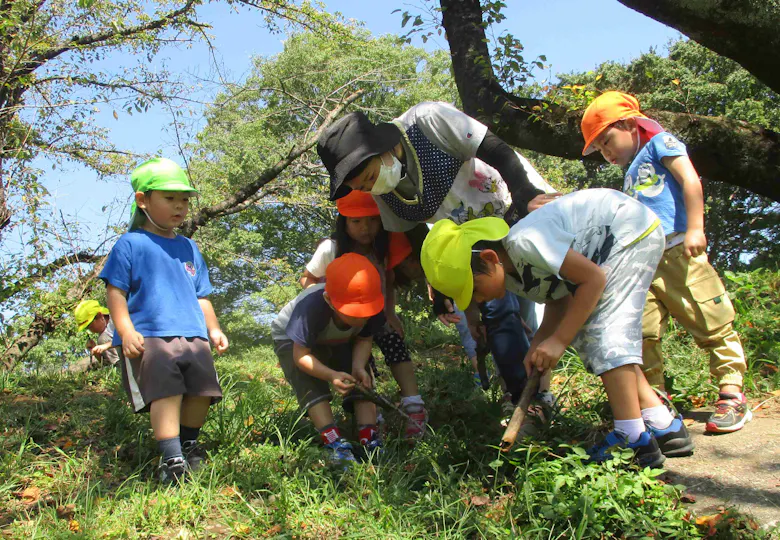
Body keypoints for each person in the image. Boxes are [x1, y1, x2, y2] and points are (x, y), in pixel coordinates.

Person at [421, 189, 696, 467]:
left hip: (628, 231)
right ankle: (663, 425)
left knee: (604, 332)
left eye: (475, 290)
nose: (478, 301)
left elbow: (593, 279)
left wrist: (560, 340)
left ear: (490, 259)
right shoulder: (513, 276)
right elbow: (559, 298)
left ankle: (632, 438)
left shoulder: (525, 243)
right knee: (592, 335)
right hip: (612, 248)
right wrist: (540, 344)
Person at [317, 102, 558, 404]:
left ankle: (542, 391)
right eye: (362, 187)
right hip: (468, 241)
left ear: (377, 149)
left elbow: (495, 148)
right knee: (495, 309)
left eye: (367, 177)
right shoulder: (383, 194)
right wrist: (439, 284)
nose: (370, 188)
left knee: (546, 292)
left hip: (514, 206)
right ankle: (526, 399)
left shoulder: (428, 122)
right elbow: (414, 231)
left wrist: (524, 191)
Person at [581, 91, 751, 433]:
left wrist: (695, 228)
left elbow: (690, 180)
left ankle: (732, 392)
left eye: (606, 140)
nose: (606, 152)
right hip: (643, 264)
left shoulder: (661, 143)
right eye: (599, 149)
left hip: (678, 250)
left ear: (628, 124)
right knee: (642, 331)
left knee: (709, 316)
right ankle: (656, 400)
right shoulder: (630, 172)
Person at [100, 157, 229, 484]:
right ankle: (171, 459)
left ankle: (189, 445)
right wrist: (125, 330)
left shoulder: (188, 246)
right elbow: (115, 291)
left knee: (202, 391)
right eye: (170, 198)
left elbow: (202, 296)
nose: (180, 206)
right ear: (143, 200)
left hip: (194, 336)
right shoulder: (130, 244)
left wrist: (213, 328)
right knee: (167, 392)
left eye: (184, 199)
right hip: (151, 336)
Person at [299, 190, 427, 438]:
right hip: (345, 315)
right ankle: (370, 415)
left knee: (394, 343)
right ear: (343, 221)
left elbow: (387, 282)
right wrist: (328, 303)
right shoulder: (331, 248)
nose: (365, 228)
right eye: (356, 221)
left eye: (372, 219)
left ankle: (414, 404)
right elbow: (307, 279)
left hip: (375, 311)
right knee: (361, 361)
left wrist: (391, 314)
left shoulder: (383, 247)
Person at [273, 253, 386, 466]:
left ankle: (369, 437)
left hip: (342, 339)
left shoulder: (373, 309)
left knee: (362, 380)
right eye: (353, 313)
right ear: (329, 301)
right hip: (294, 341)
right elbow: (301, 356)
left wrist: (357, 366)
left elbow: (364, 339)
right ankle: (333, 440)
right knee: (309, 382)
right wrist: (331, 375)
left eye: (366, 312)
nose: (361, 318)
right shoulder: (311, 308)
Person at [74, 300, 119, 367]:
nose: (90, 330)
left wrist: (106, 345)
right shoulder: (104, 335)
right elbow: (107, 365)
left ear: (99, 316)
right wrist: (96, 351)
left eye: (90, 326)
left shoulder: (117, 318)